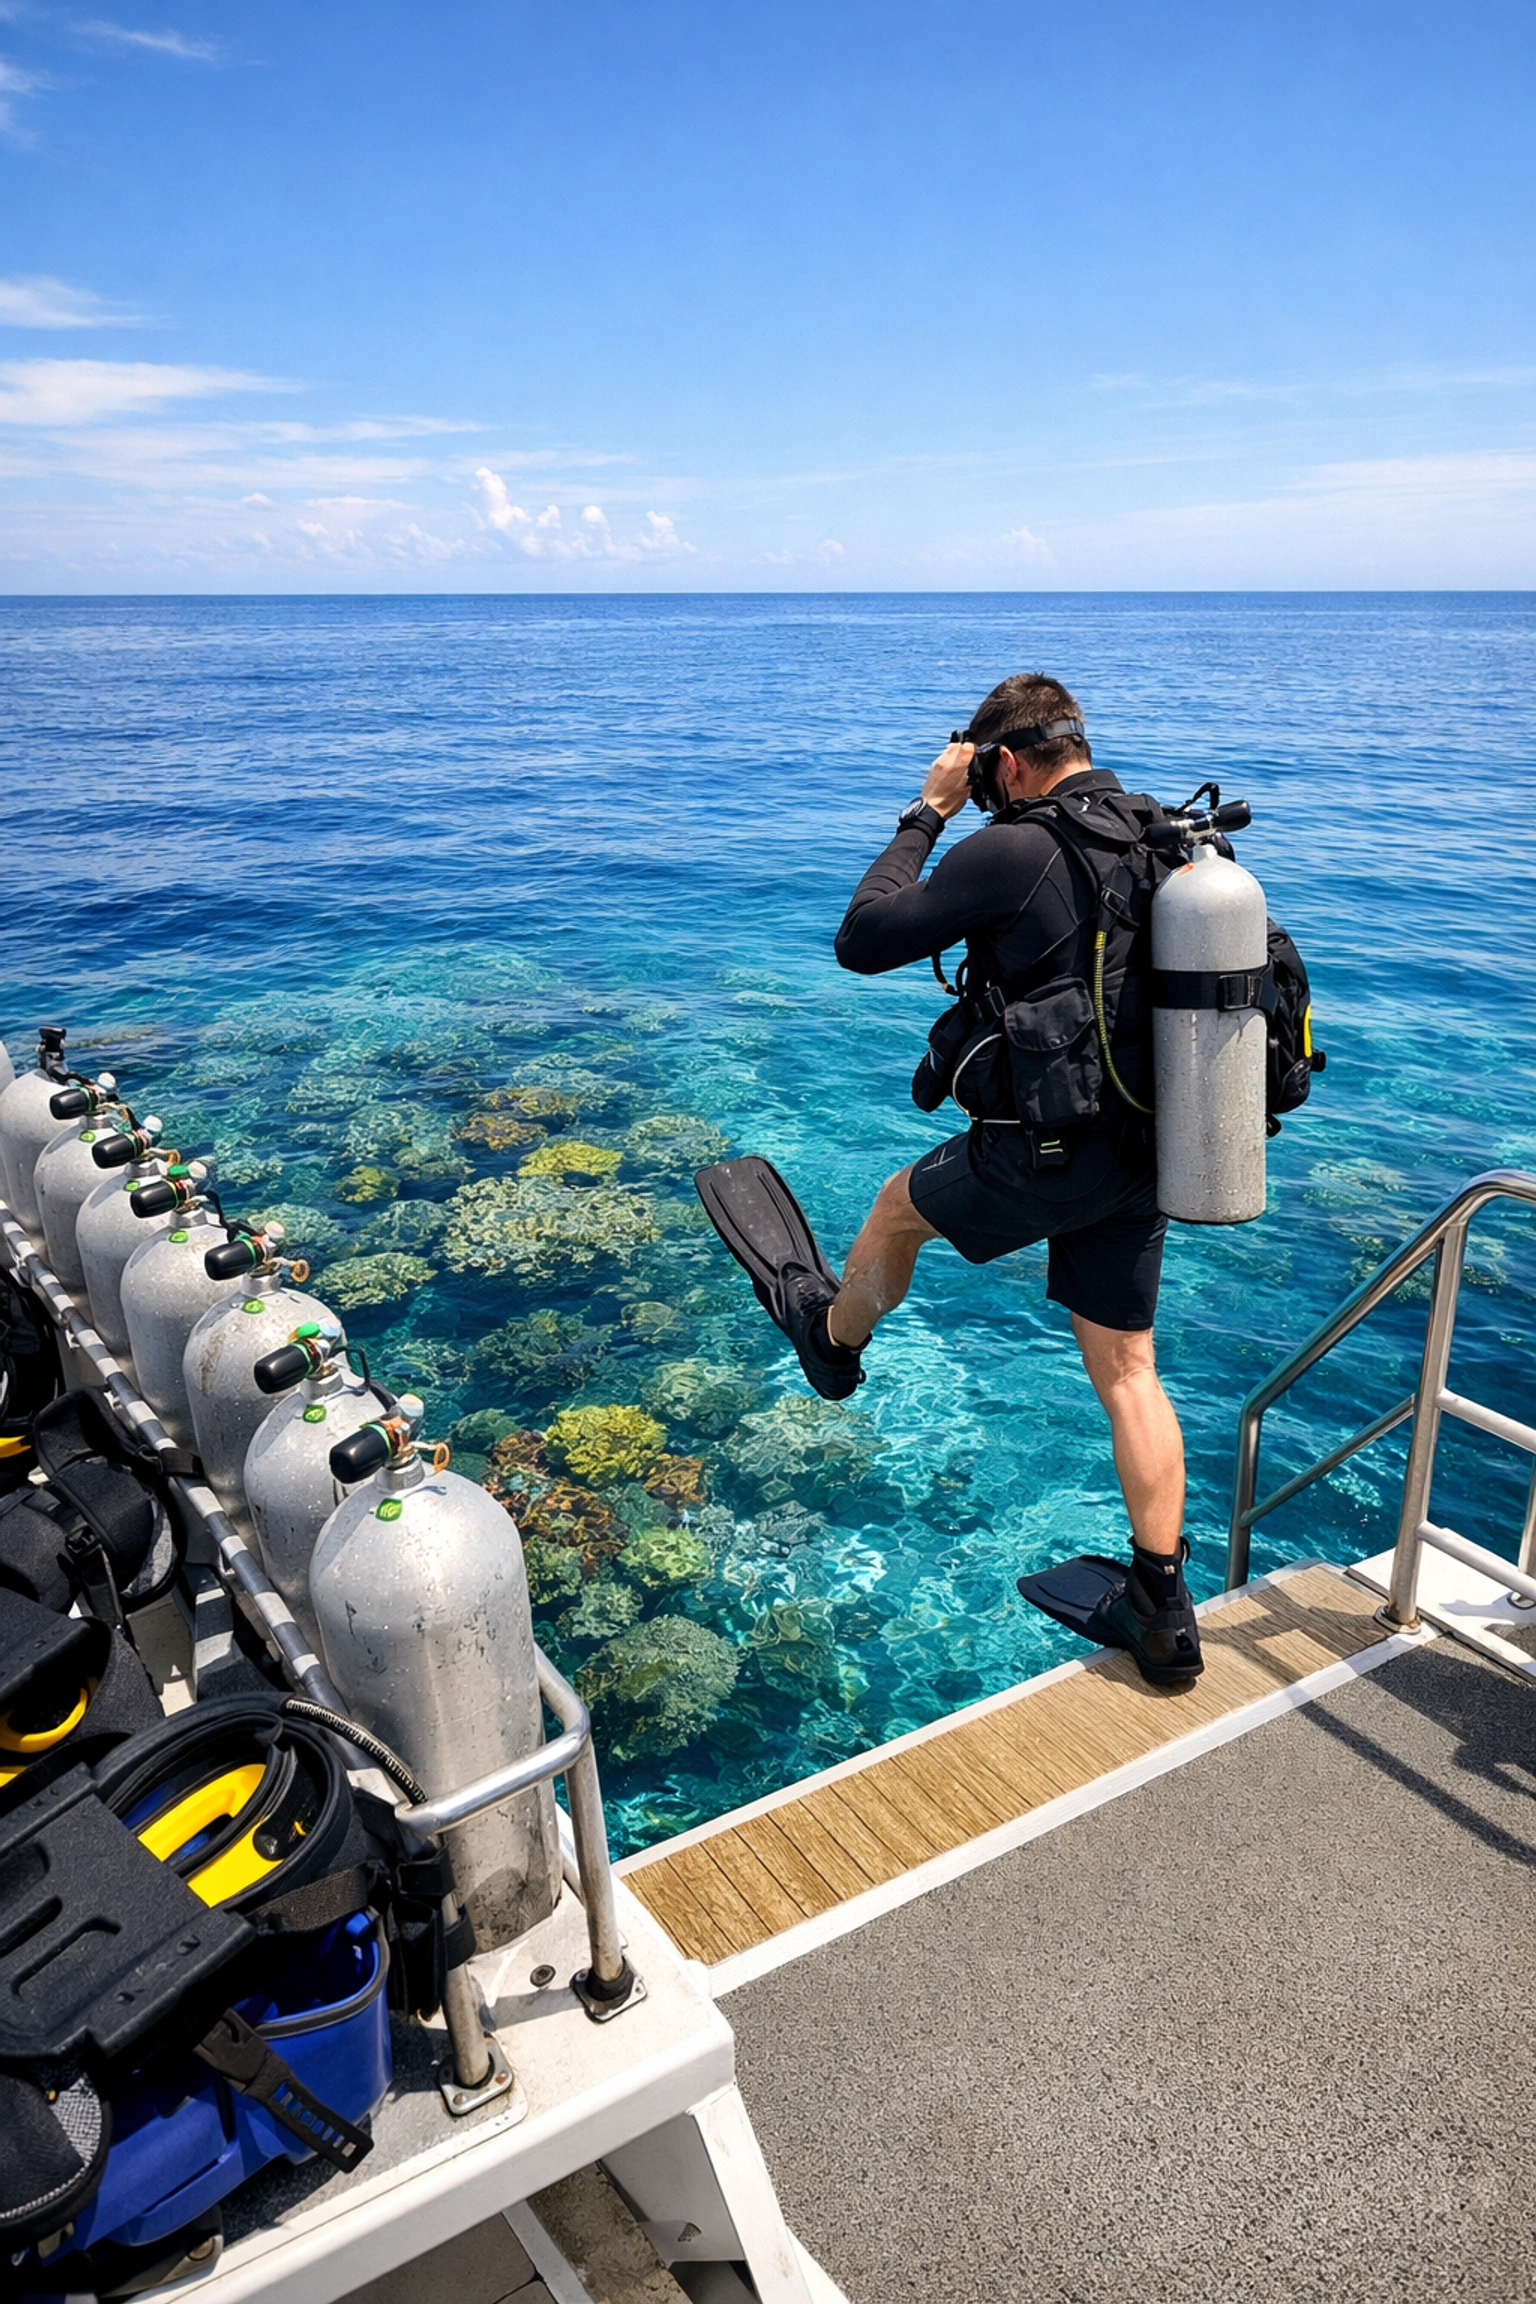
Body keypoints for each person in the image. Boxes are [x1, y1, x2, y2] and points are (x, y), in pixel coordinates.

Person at [696, 671, 1201, 1684]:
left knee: (893, 1213)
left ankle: (830, 1345)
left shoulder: (1014, 844)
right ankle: (1162, 1610)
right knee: (1129, 1371)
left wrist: (928, 809)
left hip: (1045, 1153)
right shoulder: (1162, 835)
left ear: (1003, 763)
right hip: (1149, 1154)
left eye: (982, 774)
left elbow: (863, 938)